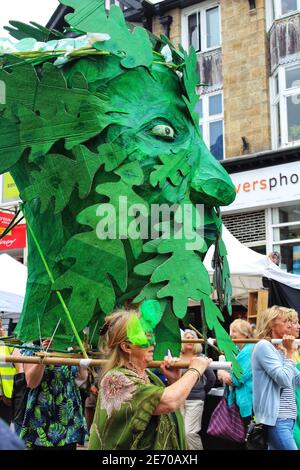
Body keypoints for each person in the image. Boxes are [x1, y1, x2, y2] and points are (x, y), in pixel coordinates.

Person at [88, 309, 212, 450]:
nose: (153, 343)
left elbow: (172, 410)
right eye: (145, 337)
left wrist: (174, 380)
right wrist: (195, 370)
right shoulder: (116, 380)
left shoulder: (150, 377)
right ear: (126, 346)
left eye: (152, 335)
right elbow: (170, 401)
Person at [20, 338, 88, 449]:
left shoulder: (68, 346)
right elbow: (31, 382)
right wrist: (44, 354)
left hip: (69, 416)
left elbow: (81, 380)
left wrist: (80, 355)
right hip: (44, 415)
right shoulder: (32, 346)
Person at [252, 306, 300, 450]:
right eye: (285, 321)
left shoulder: (279, 349)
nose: (290, 325)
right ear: (271, 324)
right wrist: (291, 353)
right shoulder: (264, 346)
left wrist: (289, 353)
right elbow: (284, 379)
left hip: (287, 418)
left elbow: (296, 381)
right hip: (277, 418)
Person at [180, 329, 216, 450]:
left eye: (192, 338)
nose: (189, 340)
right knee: (179, 432)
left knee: (189, 433)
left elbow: (211, 378)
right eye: (187, 338)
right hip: (178, 400)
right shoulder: (176, 355)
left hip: (195, 400)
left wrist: (202, 392)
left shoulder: (201, 358)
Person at [217, 319, 254, 428]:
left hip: (249, 403)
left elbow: (236, 379)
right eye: (230, 331)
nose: (230, 334)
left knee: (249, 439)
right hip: (240, 402)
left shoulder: (248, 351)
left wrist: (221, 372)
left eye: (234, 331)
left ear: (245, 333)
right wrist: (223, 374)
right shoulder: (237, 351)